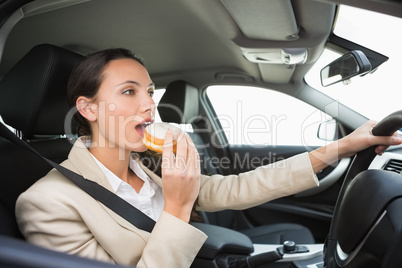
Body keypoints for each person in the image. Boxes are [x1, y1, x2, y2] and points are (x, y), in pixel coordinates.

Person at [15, 48, 402, 268]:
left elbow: (238, 187)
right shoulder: (46, 203)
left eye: (150, 92)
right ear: (89, 108)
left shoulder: (147, 164)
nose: (150, 105)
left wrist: (342, 147)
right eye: (129, 92)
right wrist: (179, 208)